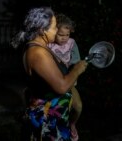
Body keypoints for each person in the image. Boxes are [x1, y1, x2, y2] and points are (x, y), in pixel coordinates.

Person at [11, 7, 88, 141]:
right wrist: (77, 69)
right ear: (42, 30)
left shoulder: (41, 48)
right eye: (53, 27)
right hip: (47, 122)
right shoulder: (37, 53)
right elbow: (62, 87)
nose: (56, 30)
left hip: (55, 117)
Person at [47, 13, 82, 141]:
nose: (64, 38)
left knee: (78, 107)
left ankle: (72, 124)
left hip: (68, 81)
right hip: (53, 82)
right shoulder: (49, 45)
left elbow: (76, 62)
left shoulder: (72, 43)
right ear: (54, 31)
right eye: (61, 35)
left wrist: (74, 74)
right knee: (57, 110)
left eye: (67, 35)